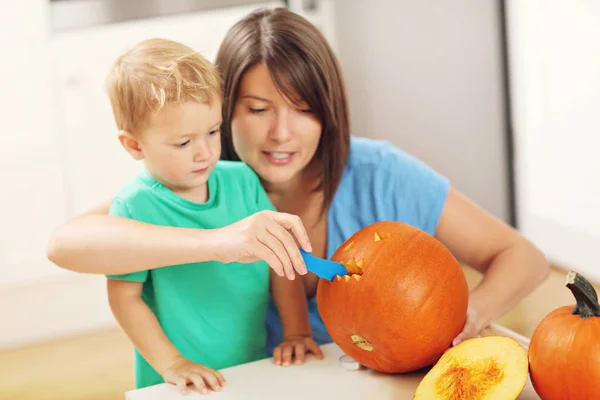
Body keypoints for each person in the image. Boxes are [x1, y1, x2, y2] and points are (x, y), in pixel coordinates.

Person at [47, 8, 549, 360]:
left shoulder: (380, 174)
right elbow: (66, 244)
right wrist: (220, 242)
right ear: (224, 110)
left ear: (328, 112)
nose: (281, 133)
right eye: (258, 109)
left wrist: (470, 317)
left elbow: (523, 258)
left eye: (304, 110)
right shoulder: (197, 185)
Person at [97, 38, 320, 395]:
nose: (205, 152)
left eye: (213, 132)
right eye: (183, 143)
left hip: (253, 368)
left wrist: (297, 331)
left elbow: (282, 260)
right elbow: (124, 297)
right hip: (179, 381)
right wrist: (173, 363)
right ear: (134, 145)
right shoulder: (133, 208)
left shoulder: (243, 181)